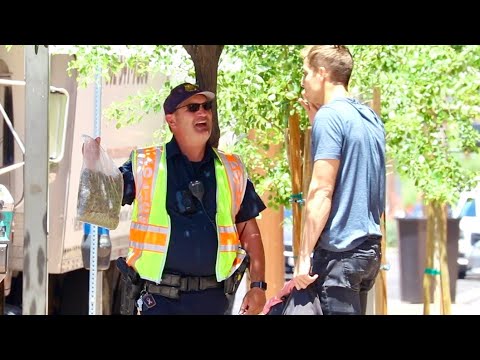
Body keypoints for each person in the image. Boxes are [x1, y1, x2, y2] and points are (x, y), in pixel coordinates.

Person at [83, 82, 267, 315]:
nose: (203, 113)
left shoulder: (232, 169)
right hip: (160, 301)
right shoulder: (147, 164)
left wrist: (258, 286)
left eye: (206, 106)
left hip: (214, 301)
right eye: (192, 108)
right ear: (172, 120)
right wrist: (93, 166)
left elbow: (249, 230)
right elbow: (102, 205)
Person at [293, 45, 386, 315]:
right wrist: (317, 124)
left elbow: (321, 191)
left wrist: (303, 256)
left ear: (322, 73)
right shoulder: (369, 117)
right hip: (367, 251)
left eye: (306, 73)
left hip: (340, 253)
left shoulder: (330, 116)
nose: (303, 82)